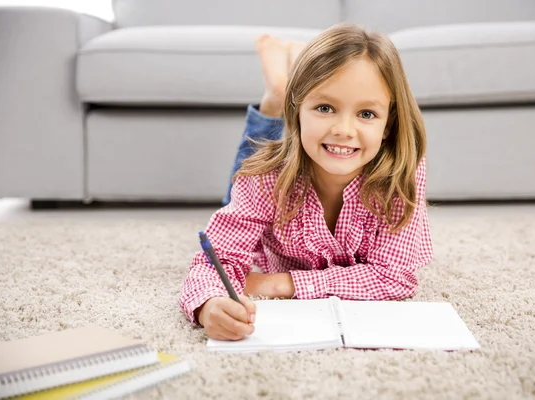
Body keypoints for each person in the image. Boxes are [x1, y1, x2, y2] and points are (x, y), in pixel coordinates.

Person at [179, 23, 433, 341]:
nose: (344, 129)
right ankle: (277, 95)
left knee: (269, 157)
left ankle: (282, 89)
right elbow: (217, 259)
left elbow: (396, 279)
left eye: (367, 114)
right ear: (297, 111)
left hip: (301, 155)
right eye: (325, 107)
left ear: (387, 124)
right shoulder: (262, 180)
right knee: (252, 159)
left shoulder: (402, 172)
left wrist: (279, 283)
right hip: (282, 168)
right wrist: (208, 305)